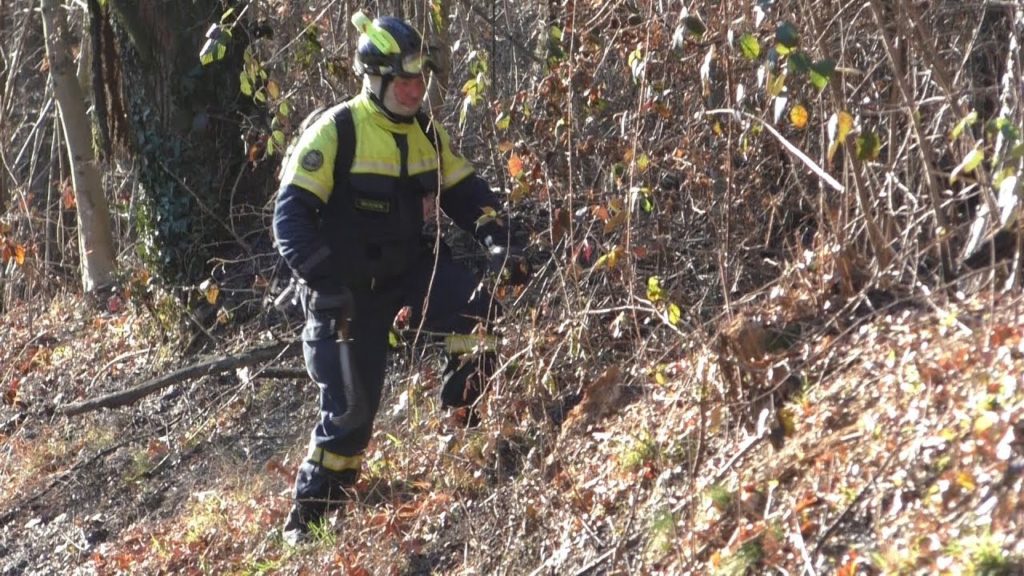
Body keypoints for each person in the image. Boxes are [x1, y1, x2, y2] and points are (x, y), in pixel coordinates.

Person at [272, 12, 528, 543]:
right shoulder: (338, 130)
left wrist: (500, 236)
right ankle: (309, 519)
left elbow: (466, 192)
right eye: (406, 81)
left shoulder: (427, 133)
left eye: (421, 80)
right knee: (352, 414)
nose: (416, 90)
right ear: (378, 79)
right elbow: (289, 218)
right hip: (343, 291)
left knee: (475, 309)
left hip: (411, 273)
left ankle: (464, 431)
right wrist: (323, 281)